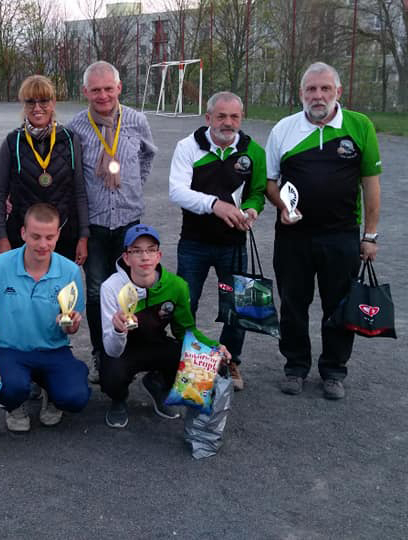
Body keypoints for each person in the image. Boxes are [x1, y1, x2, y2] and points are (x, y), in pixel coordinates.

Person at [265, 62, 381, 400]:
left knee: (339, 305)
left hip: (341, 235)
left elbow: (370, 185)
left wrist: (370, 235)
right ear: (301, 93)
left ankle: (333, 370)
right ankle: (295, 366)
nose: (318, 95)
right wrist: (284, 207)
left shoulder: (359, 126)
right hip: (293, 238)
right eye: (311, 89)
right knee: (293, 304)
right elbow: (270, 182)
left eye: (325, 89)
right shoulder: (284, 129)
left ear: (338, 92)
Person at [0, 203, 91, 433]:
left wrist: (71, 325)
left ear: (58, 235)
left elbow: (71, 327)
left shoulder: (70, 271)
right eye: (35, 236)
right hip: (10, 350)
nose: (43, 244)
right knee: (8, 389)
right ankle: (14, 405)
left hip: (54, 349)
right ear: (23, 233)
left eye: (49, 237)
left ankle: (52, 394)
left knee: (75, 397)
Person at [168, 91, 266, 391]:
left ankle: (230, 361)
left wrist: (252, 209)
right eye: (221, 116)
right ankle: (189, 362)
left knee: (238, 306)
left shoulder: (253, 151)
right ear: (208, 117)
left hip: (234, 244)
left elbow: (257, 192)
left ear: (241, 118)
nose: (228, 122)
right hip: (194, 243)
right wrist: (214, 205)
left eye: (234, 116)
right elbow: (177, 191)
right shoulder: (188, 147)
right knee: (186, 303)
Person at [69, 60, 156, 383]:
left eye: (108, 88)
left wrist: (132, 186)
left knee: (131, 290)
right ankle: (99, 352)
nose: (103, 95)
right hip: (93, 224)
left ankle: (129, 351)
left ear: (119, 88)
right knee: (95, 291)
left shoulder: (137, 121)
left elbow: (147, 156)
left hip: (128, 221)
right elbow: (72, 173)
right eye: (96, 90)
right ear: (85, 92)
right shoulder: (76, 127)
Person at [100, 224, 230, 428]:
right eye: (137, 251)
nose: (145, 257)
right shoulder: (111, 287)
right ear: (126, 258)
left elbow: (185, 331)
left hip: (155, 344)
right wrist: (118, 330)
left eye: (151, 250)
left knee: (198, 358)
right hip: (123, 350)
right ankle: (118, 399)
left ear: (158, 255)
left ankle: (158, 384)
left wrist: (213, 347)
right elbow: (111, 349)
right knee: (111, 375)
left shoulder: (177, 286)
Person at [0, 74, 89, 265]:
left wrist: (83, 236)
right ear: (24, 105)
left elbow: (79, 191)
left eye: (44, 101)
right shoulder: (12, 142)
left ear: (53, 102)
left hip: (64, 234)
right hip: (22, 236)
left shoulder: (70, 140)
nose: (37, 108)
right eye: (30, 102)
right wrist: (2, 237)